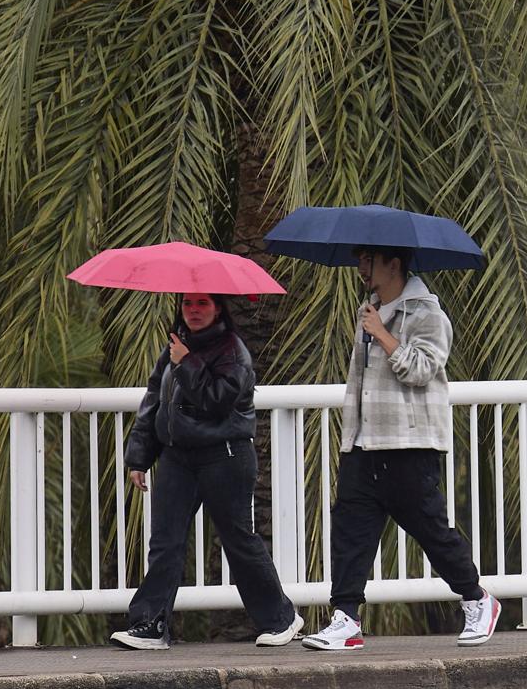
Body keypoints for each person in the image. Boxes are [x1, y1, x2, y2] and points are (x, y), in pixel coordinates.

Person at [302, 246, 499, 651]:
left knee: (430, 530)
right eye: (358, 259)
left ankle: (478, 600)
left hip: (409, 444)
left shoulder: (428, 315)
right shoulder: (369, 311)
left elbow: (423, 370)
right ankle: (346, 618)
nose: (360, 267)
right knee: (350, 532)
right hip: (362, 443)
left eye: (368, 260)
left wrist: (383, 335)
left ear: (394, 264)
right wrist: (350, 437)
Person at [111, 292, 303, 650]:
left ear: (218, 308)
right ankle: (150, 624)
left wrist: (187, 364)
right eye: (187, 304)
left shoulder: (233, 350)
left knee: (237, 539)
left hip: (225, 455)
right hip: (177, 458)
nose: (194, 310)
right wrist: (139, 457)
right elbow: (155, 402)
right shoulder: (174, 348)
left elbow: (218, 401)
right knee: (165, 542)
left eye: (202, 303)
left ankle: (281, 618)